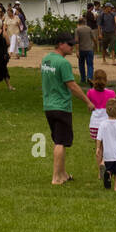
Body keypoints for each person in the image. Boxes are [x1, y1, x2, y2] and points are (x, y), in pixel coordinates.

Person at [41, 34, 94, 184]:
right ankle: (56, 177)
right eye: (70, 44)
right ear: (60, 44)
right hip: (61, 106)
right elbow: (72, 86)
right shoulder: (63, 63)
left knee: (58, 139)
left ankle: (63, 173)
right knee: (60, 141)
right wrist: (88, 102)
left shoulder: (46, 60)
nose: (72, 47)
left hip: (48, 105)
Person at [86, 68, 116, 177]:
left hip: (94, 124)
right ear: (106, 80)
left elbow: (89, 107)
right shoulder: (111, 93)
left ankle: (100, 171)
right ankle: (104, 163)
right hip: (106, 124)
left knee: (98, 147)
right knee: (107, 146)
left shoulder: (90, 93)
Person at [75, 16, 95, 84]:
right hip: (89, 49)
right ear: (85, 22)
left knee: (81, 64)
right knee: (90, 65)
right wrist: (94, 45)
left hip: (81, 49)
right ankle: (90, 77)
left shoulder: (77, 30)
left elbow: (77, 41)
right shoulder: (89, 28)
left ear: (79, 23)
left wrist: (77, 51)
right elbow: (93, 38)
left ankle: (83, 78)